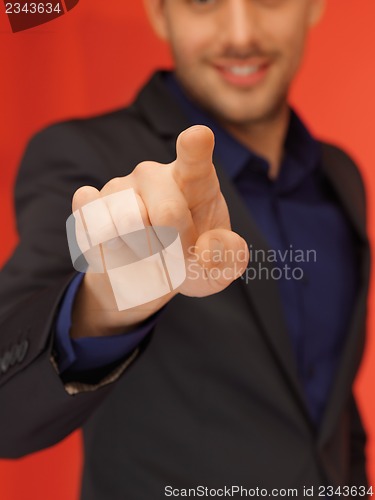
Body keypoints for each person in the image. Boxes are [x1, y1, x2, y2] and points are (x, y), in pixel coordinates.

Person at [0, 0, 371, 498]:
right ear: (158, 11)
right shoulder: (82, 158)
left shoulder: (341, 177)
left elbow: (328, 407)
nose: (241, 34)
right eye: (202, 1)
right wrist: (104, 307)